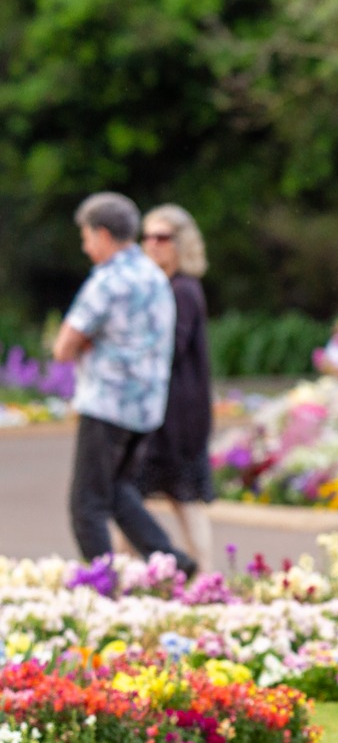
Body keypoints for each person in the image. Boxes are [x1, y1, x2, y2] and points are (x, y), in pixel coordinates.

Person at [51, 192, 195, 575]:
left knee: (87, 503)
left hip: (106, 403)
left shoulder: (108, 281)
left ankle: (103, 586)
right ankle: (173, 563)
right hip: (145, 408)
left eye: (85, 237)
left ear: (101, 234)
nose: (84, 246)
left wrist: (90, 342)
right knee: (118, 492)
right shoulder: (154, 276)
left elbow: (64, 347)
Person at [135, 204, 217, 571]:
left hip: (177, 416)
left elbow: (166, 348)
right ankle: (119, 573)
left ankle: (205, 575)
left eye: (162, 237)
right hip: (167, 412)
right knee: (138, 496)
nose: (152, 244)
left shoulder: (182, 289)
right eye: (147, 236)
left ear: (181, 243)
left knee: (181, 498)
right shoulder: (168, 286)